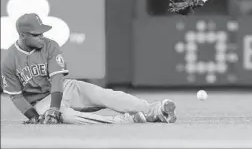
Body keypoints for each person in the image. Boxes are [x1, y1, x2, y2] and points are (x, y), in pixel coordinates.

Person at [1, 13, 177, 124]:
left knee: (105, 95)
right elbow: (15, 96)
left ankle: (155, 110)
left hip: (64, 89)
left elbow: (56, 79)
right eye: (36, 34)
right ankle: (122, 121)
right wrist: (34, 116)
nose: (41, 37)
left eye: (42, 32)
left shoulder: (50, 45)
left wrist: (54, 107)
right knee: (68, 117)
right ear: (22, 36)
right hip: (40, 103)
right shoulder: (9, 60)